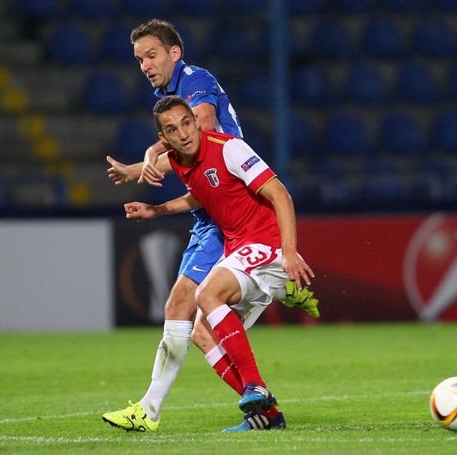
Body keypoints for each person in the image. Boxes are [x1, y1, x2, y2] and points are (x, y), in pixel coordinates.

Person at [102, 19, 318, 433]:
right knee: (202, 332)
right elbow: (191, 165)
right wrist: (143, 177)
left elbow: (201, 125)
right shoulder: (170, 96)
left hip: (231, 214)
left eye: (151, 55)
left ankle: (149, 410)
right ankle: (265, 411)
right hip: (212, 212)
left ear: (174, 54)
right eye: (138, 60)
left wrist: (150, 152)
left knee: (186, 302)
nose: (145, 66)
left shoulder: (195, 83)